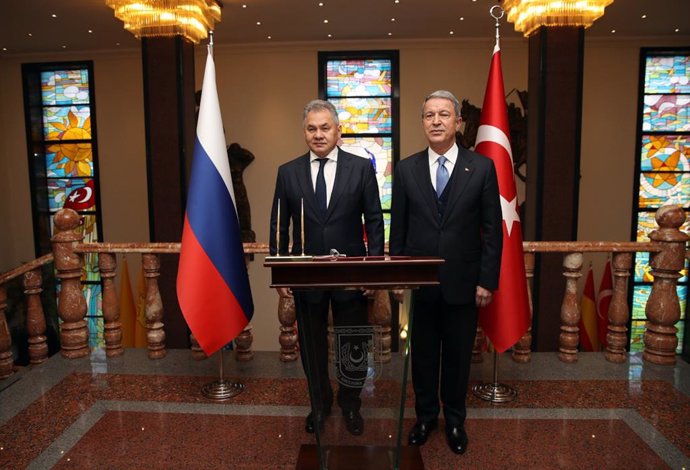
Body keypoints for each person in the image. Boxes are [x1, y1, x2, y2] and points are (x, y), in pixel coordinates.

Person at [389, 90, 502, 454]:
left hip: (464, 285)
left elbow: (492, 230)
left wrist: (487, 279)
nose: (436, 121)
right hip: (420, 285)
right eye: (429, 115)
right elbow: (399, 231)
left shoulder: (482, 167)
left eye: (443, 115)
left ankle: (455, 422)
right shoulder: (406, 169)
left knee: (456, 359)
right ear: (422, 122)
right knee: (422, 358)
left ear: (458, 122)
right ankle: (425, 418)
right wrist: (397, 277)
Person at [269, 99, 384, 436]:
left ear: (338, 131)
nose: (318, 134)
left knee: (353, 344)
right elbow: (279, 225)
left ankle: (351, 404)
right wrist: (282, 271)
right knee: (312, 344)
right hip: (307, 276)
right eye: (311, 128)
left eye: (325, 127)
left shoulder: (361, 168)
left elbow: (375, 221)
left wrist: (373, 271)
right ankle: (319, 404)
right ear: (304, 132)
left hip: (351, 274)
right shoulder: (287, 172)